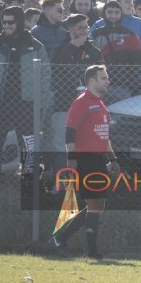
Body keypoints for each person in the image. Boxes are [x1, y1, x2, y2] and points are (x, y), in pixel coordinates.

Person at [50, 65, 120, 259]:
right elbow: (69, 132)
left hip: (98, 159)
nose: (107, 81)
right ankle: (91, 252)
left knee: (97, 205)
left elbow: (103, 136)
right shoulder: (81, 102)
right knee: (95, 203)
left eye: (107, 77)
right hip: (85, 159)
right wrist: (71, 158)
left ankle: (61, 238)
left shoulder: (100, 103)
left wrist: (113, 158)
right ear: (92, 81)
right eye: (103, 78)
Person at [0, 5, 51, 178]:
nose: (6, 26)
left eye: (11, 22)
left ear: (20, 22)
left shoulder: (35, 46)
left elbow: (45, 77)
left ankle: (29, 178)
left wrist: (40, 104)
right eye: (4, 22)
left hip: (26, 104)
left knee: (29, 144)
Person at [48, 14, 104, 188]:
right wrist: (72, 47)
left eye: (86, 27)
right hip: (63, 104)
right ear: (69, 29)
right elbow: (54, 68)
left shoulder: (93, 50)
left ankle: (85, 184)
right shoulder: (59, 48)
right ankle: (62, 184)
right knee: (61, 144)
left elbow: (102, 73)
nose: (84, 31)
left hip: (88, 107)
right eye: (80, 27)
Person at [90, 0, 141, 86]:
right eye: (127, 2)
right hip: (107, 78)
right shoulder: (98, 25)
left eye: (132, 1)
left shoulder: (140, 24)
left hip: (137, 78)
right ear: (116, 3)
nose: (132, 4)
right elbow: (89, 49)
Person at [90, 0, 141, 102]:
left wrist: (129, 81)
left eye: (117, 12)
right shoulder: (95, 35)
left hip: (123, 86)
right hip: (99, 85)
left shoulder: (130, 34)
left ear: (121, 14)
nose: (113, 16)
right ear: (104, 13)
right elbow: (89, 60)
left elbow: (138, 61)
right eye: (110, 12)